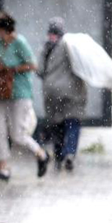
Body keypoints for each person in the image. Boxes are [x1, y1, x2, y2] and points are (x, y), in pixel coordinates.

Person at [0, 12, 50, 181]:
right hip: (0, 91)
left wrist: (13, 69)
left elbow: (33, 65)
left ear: (5, 29)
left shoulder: (19, 43)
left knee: (17, 134)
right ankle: (3, 168)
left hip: (19, 92)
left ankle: (40, 154)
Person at [38, 18, 86, 171]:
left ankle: (58, 155)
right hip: (72, 91)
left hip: (52, 91)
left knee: (57, 124)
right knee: (73, 122)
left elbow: (39, 71)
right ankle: (70, 153)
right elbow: (81, 65)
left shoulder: (45, 49)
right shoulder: (70, 45)